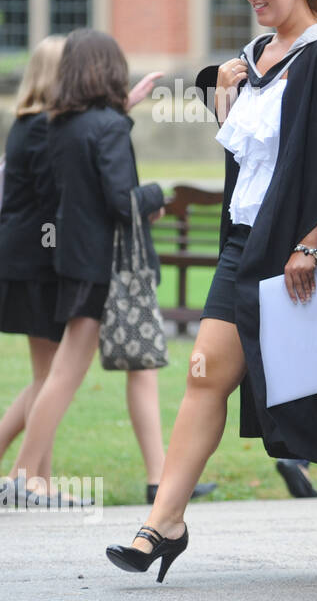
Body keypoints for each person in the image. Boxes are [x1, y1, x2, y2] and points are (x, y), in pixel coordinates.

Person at [105, 0, 317, 581]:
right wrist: (224, 103)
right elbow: (256, 158)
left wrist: (309, 245)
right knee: (204, 371)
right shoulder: (254, 56)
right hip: (247, 240)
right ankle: (164, 522)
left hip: (308, 249)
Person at [3, 31, 205, 507]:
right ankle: (27, 479)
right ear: (109, 71)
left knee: (57, 376)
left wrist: (121, 113)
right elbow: (121, 201)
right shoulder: (106, 127)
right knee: (64, 376)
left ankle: (24, 477)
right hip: (103, 266)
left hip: (73, 260)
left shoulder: (61, 123)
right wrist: (160, 194)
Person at [0, 37, 68, 469]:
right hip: (36, 263)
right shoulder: (45, 127)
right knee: (52, 374)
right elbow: (52, 200)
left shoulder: (25, 122)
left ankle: (38, 478)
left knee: (45, 373)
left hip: (21, 258)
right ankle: (31, 478)